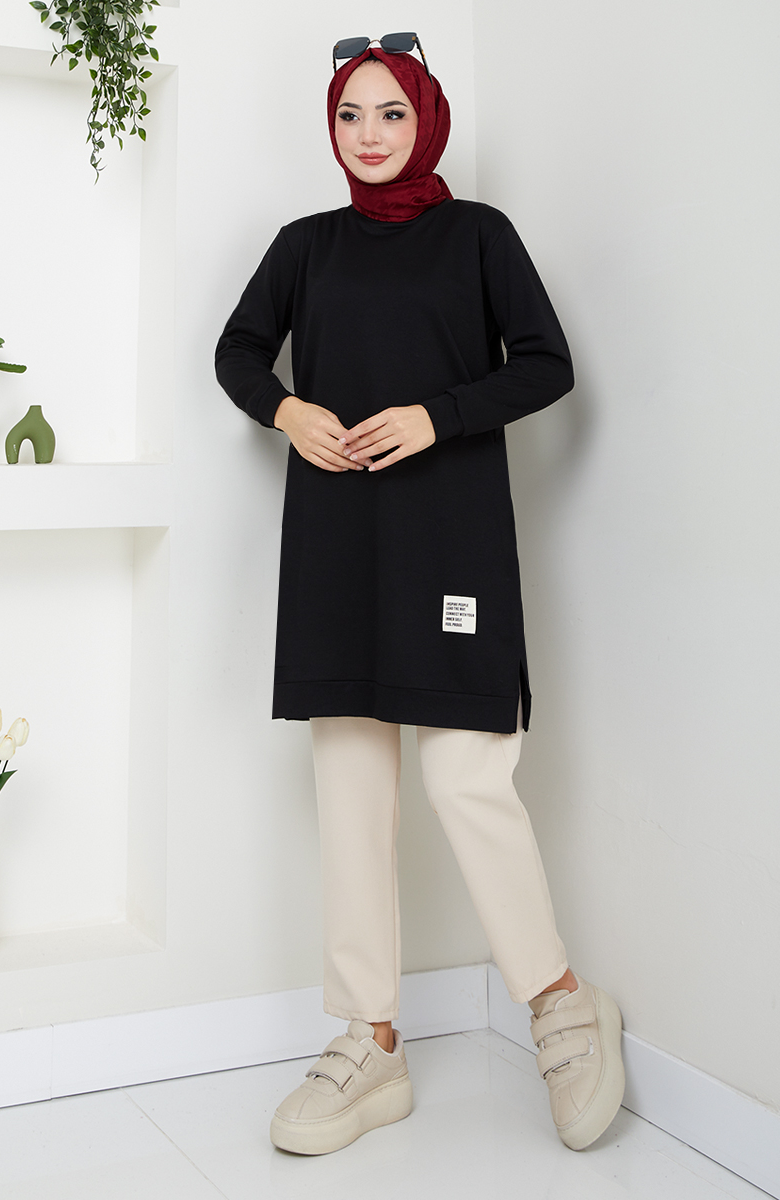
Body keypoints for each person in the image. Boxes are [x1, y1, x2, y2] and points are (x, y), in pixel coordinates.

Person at [215, 34, 626, 1157]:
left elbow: (545, 363)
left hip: (449, 541)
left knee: (463, 777)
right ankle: (372, 1041)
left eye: (390, 112)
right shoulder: (304, 246)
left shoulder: (479, 235)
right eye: (350, 114)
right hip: (337, 546)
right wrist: (286, 410)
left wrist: (436, 415)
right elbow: (239, 350)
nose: (369, 134)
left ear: (427, 120)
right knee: (349, 789)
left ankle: (559, 1000)